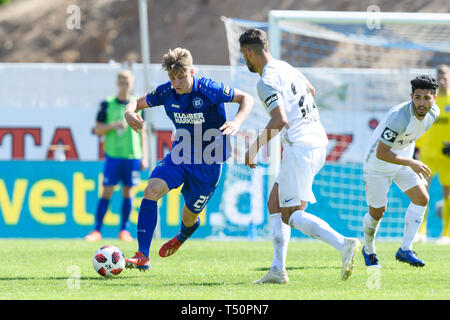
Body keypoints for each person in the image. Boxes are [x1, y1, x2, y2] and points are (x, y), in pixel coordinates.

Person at [239, 28, 360, 284]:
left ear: (249, 52)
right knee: (275, 203)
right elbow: (311, 89)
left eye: (244, 55)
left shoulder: (266, 81)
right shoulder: (285, 67)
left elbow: (280, 119)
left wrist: (254, 148)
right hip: (315, 139)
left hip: (301, 146)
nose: (245, 61)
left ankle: (343, 244)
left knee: (290, 213)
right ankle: (277, 270)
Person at [124, 48, 254, 270]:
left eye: (181, 76)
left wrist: (237, 122)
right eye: (173, 78)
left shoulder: (209, 89)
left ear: (191, 71)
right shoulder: (167, 92)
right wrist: (128, 112)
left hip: (209, 161)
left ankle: (184, 234)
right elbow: (137, 103)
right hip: (180, 154)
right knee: (151, 190)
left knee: (189, 217)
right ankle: (142, 255)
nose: (177, 82)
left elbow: (246, 98)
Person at [362, 75, 439, 268]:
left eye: (427, 98)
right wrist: (412, 162)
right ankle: (369, 249)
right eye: (418, 97)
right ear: (411, 96)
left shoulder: (434, 113)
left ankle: (405, 249)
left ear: (434, 99)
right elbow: (381, 153)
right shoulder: (399, 117)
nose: (422, 103)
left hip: (403, 162)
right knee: (377, 212)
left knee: (422, 198)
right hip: (377, 165)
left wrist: (410, 161)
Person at [85, 70, 148, 242]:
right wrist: (113, 125)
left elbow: (143, 133)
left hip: (132, 155)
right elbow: (97, 129)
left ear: (132, 83)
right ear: (117, 83)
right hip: (113, 155)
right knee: (107, 191)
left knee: (128, 192)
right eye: (121, 81)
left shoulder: (139, 105)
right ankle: (96, 230)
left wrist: (145, 156)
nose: (124, 84)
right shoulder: (107, 104)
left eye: (127, 81)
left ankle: (124, 230)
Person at [414, 65, 450, 245]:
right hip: (428, 154)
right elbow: (422, 126)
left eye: (445, 75)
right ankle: (420, 232)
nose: (442, 78)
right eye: (439, 75)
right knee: (421, 192)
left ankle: (446, 234)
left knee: (448, 194)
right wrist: (417, 148)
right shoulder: (430, 102)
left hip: (447, 156)